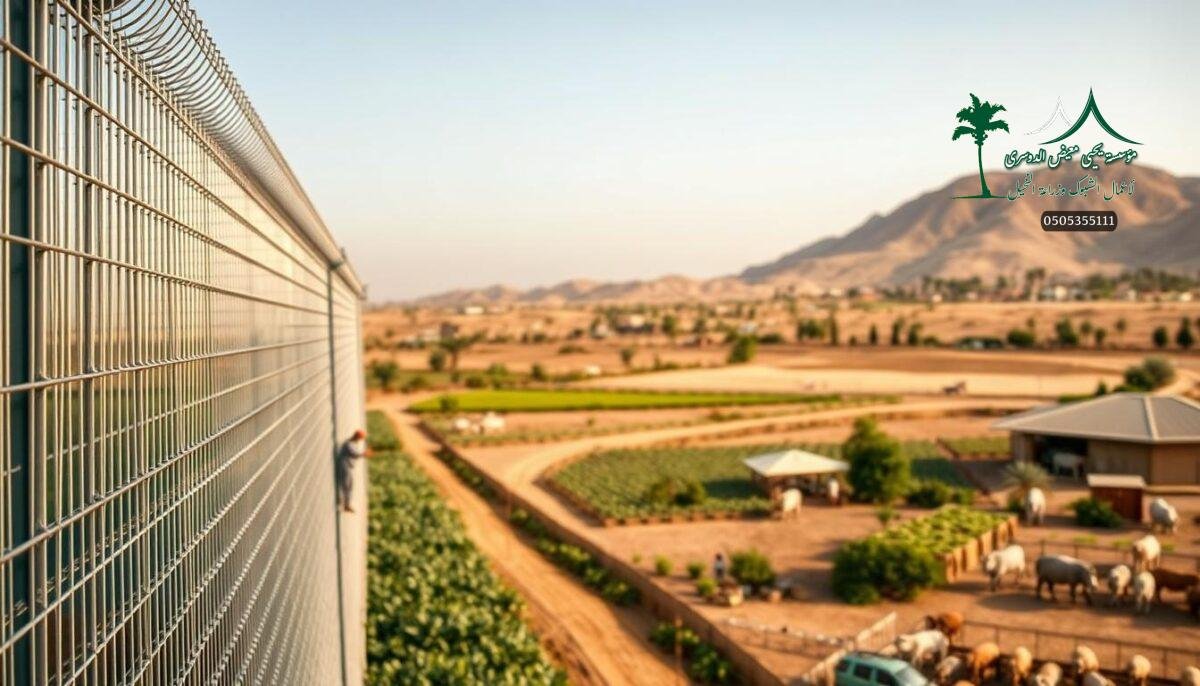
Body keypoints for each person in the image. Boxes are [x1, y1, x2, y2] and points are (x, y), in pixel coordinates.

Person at [336, 429, 368, 512]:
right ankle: (344, 503)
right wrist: (364, 454)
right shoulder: (348, 444)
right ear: (357, 437)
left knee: (349, 485)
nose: (360, 440)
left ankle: (346, 503)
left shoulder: (353, 443)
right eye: (360, 438)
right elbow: (354, 454)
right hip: (345, 466)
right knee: (346, 485)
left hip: (349, 466)